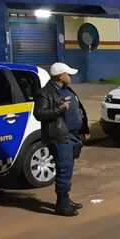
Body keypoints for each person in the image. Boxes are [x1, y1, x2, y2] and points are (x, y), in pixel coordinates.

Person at [34, 63, 90, 217]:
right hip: (58, 136)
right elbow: (39, 113)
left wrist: (84, 128)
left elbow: (79, 109)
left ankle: (66, 199)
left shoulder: (65, 89)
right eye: (68, 74)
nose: (70, 76)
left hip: (71, 135)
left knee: (68, 168)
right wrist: (61, 108)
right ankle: (62, 205)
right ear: (60, 76)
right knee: (63, 169)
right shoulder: (45, 92)